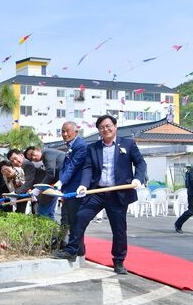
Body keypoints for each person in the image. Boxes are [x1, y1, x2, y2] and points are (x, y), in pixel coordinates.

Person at [53, 115, 147, 275]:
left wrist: (138, 178)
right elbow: (88, 167)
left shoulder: (128, 144)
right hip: (97, 192)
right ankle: (72, 250)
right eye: (102, 127)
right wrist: (83, 184)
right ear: (98, 130)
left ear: (115, 126)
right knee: (80, 217)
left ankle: (118, 261)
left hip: (118, 193)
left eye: (108, 126)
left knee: (119, 229)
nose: (106, 129)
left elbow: (140, 162)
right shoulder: (94, 147)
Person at [56, 121, 88, 257]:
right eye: (62, 131)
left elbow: (73, 166)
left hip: (76, 188)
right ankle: (78, 249)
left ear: (76, 132)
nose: (64, 134)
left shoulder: (80, 145)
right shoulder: (70, 145)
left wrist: (61, 181)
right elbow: (65, 167)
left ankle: (74, 250)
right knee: (68, 219)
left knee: (75, 220)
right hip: (68, 189)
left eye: (67, 131)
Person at [23, 146, 65, 221]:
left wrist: (38, 188)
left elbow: (51, 173)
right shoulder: (45, 158)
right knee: (50, 214)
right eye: (31, 158)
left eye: (33, 154)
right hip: (58, 182)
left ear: (38, 149)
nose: (33, 157)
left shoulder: (46, 154)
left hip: (66, 179)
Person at [7, 149, 46, 214]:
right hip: (36, 191)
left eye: (15, 158)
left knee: (41, 213)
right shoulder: (24, 165)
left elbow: (29, 182)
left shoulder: (27, 164)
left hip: (41, 191)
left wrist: (16, 193)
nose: (15, 161)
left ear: (22, 155)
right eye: (12, 161)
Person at [174, 164, 193, 233]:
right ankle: (178, 224)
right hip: (192, 194)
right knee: (191, 211)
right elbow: (188, 184)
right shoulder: (190, 172)